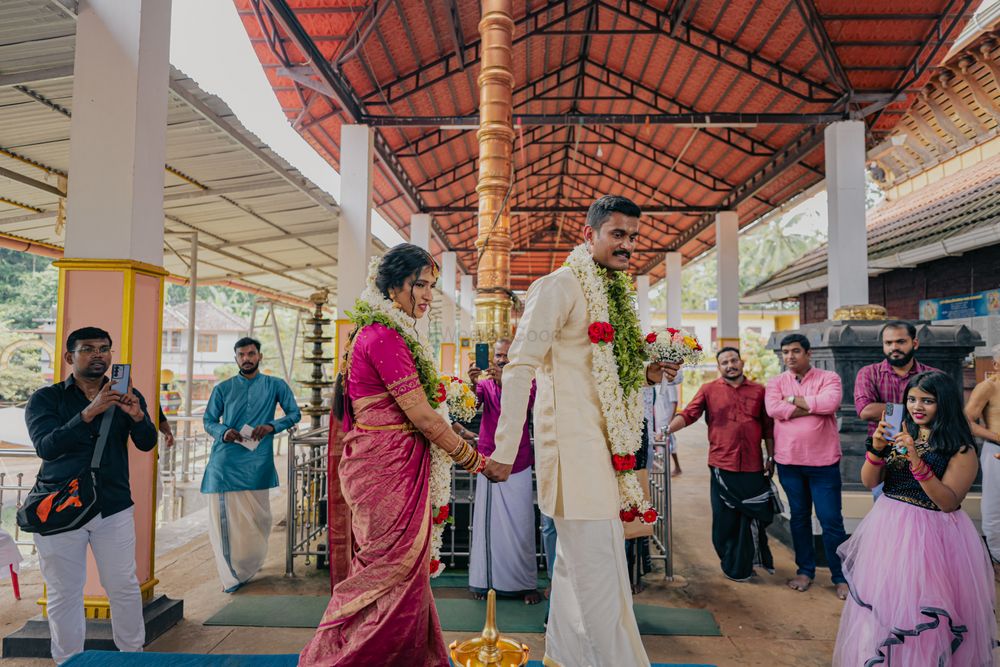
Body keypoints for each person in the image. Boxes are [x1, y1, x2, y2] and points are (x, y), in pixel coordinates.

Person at [493, 195, 678, 667]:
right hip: (573, 454)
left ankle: (565, 659)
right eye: (618, 234)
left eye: (633, 238)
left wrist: (650, 372)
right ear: (589, 234)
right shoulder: (557, 286)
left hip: (605, 451)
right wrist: (503, 450)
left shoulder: (612, 294)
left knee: (582, 571)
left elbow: (605, 372)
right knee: (597, 573)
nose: (628, 246)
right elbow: (519, 368)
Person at [299, 244, 504, 666]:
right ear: (393, 286)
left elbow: (421, 414)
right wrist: (479, 463)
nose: (428, 295)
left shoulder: (382, 332)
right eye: (420, 285)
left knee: (402, 574)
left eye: (431, 286)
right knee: (384, 570)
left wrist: (457, 428)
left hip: (391, 462)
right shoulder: (384, 337)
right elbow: (424, 419)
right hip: (384, 470)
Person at [833, 371, 996, 665]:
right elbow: (870, 482)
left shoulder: (960, 448)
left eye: (927, 401)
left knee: (922, 610)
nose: (916, 407)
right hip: (888, 527)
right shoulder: (902, 435)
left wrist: (916, 462)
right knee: (886, 605)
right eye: (911, 399)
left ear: (943, 403)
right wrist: (877, 450)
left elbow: (947, 502)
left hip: (932, 535)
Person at [24, 326, 158, 664]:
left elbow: (146, 442)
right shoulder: (47, 398)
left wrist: (139, 417)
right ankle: (69, 660)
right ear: (70, 357)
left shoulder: (127, 394)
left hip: (112, 506)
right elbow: (47, 447)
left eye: (104, 349)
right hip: (60, 508)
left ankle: (132, 656)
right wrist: (89, 412)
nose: (98, 354)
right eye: (88, 349)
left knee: (123, 586)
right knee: (65, 592)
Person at [665, 347, 777, 582]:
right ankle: (729, 559)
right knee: (724, 520)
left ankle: (744, 564)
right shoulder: (709, 390)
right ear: (719, 367)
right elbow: (689, 414)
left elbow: (768, 427)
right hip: (721, 464)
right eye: (724, 362)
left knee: (752, 518)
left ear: (741, 362)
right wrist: (666, 431)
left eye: (733, 360)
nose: (730, 365)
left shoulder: (759, 391)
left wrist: (771, 456)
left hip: (752, 466)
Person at [201, 337, 301, 593]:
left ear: (259, 356)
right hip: (225, 462)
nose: (246, 358)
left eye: (251, 353)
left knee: (259, 520)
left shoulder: (275, 385)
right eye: (241, 354)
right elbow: (209, 420)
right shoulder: (223, 389)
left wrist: (271, 426)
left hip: (258, 462)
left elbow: (294, 413)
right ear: (235, 358)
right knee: (226, 521)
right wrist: (224, 431)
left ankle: (248, 564)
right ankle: (231, 575)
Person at [764, 333, 849, 599]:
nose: (790, 357)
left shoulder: (829, 378)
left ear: (808, 353)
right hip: (789, 462)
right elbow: (772, 410)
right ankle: (805, 570)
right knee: (799, 519)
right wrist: (811, 406)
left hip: (823, 463)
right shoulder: (776, 382)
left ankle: (840, 576)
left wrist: (791, 401)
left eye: (795, 351)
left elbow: (830, 404)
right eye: (785, 352)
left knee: (831, 520)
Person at [467, 340, 540, 604]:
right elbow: (470, 406)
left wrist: (507, 381)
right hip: (488, 461)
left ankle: (524, 584)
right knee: (488, 525)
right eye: (498, 355)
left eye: (507, 356)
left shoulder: (527, 384)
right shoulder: (485, 385)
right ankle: (483, 581)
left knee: (521, 523)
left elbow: (529, 404)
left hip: (518, 462)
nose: (500, 360)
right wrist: (473, 383)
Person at [854, 321, 939, 498]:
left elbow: (944, 411)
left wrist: (890, 409)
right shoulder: (869, 373)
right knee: (887, 515)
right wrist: (918, 407)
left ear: (914, 343)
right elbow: (865, 411)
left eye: (900, 342)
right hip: (884, 456)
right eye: (888, 343)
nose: (894, 347)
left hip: (928, 455)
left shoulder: (933, 376)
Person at [964, 343, 1000, 575]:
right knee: (994, 509)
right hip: (995, 450)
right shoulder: (988, 387)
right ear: (997, 364)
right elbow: (967, 421)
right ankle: (997, 560)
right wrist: (997, 436)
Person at [644, 370, 683, 475]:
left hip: (666, 420)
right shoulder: (655, 382)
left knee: (669, 444)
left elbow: (674, 403)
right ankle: (660, 468)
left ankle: (674, 468)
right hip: (658, 419)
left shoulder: (670, 382)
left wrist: (670, 423)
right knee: (660, 445)